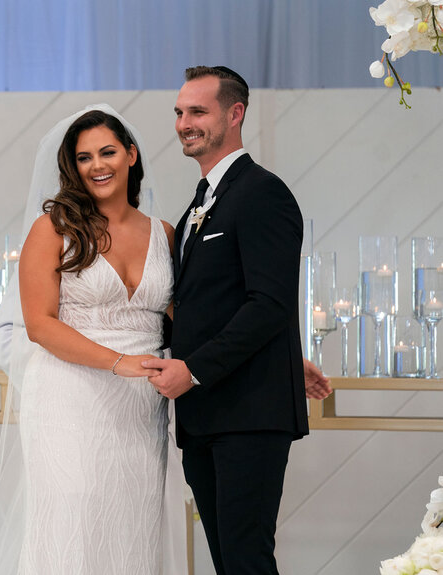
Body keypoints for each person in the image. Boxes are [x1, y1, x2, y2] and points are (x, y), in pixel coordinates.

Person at [0, 105, 187, 574]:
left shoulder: (165, 234)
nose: (97, 165)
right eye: (84, 157)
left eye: (107, 152)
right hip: (68, 401)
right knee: (70, 523)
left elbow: (188, 320)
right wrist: (119, 361)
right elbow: (40, 325)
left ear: (130, 154)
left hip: (139, 411)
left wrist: (280, 360)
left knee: (133, 530)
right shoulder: (53, 230)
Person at [143, 66, 331, 575]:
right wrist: (289, 356)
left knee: (247, 560)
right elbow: (210, 302)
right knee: (228, 560)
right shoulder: (198, 205)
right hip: (206, 414)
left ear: (235, 113)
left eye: (198, 111)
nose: (185, 122)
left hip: (247, 414)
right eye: (180, 112)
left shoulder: (262, 193)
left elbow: (268, 304)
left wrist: (194, 369)